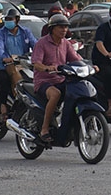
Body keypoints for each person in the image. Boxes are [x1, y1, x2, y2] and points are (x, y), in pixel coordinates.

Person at [30, 13, 83, 143]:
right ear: (52, 28)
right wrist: (47, 68)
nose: (64, 30)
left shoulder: (66, 43)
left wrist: (90, 66)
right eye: (60, 27)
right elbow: (36, 63)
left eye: (66, 27)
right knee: (55, 94)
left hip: (61, 79)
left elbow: (76, 59)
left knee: (77, 91)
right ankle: (44, 129)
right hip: (44, 81)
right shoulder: (42, 43)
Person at [0, 8, 38, 115]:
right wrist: (4, 57)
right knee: (4, 80)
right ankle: (3, 106)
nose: (8, 21)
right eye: (7, 19)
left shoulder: (25, 32)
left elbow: (36, 45)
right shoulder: (1, 33)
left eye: (10, 19)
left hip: (22, 65)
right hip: (2, 66)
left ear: (17, 20)